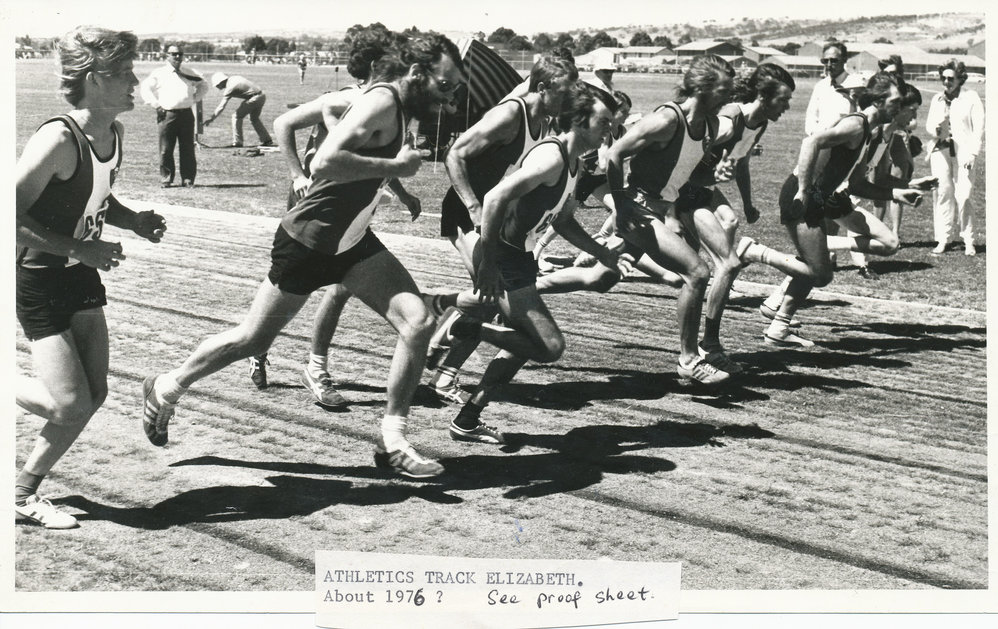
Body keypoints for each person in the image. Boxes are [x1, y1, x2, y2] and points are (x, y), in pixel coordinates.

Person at [140, 35, 466, 480]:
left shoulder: (403, 108)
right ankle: (166, 386)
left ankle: (393, 441)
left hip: (351, 243)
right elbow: (327, 161)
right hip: (309, 241)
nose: (450, 97)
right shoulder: (383, 102)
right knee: (253, 339)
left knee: (418, 322)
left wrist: (400, 174)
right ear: (416, 74)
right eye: (446, 86)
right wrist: (396, 169)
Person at [16, 26, 167, 529]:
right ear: (95, 79)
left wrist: (134, 221)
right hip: (37, 276)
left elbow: (97, 198)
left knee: (94, 395)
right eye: (124, 72)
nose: (134, 81)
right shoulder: (59, 138)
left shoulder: (113, 135)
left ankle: (22, 492)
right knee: (70, 403)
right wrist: (80, 247)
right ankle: (21, 492)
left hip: (80, 277)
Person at [440, 85, 624, 443]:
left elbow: (563, 221)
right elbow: (493, 198)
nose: (609, 131)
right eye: (603, 123)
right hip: (505, 257)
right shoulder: (552, 157)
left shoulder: (575, 163)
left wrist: (601, 254)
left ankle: (468, 417)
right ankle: (467, 326)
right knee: (549, 346)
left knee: (521, 343)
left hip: (518, 258)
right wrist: (488, 263)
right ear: (579, 121)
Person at [248, 42, 421, 408]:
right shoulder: (350, 98)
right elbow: (283, 122)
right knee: (311, 290)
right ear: (378, 64)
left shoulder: (388, 107)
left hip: (351, 213)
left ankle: (296, 358)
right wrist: (297, 174)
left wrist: (402, 193)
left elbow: (378, 160)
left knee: (333, 287)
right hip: (318, 207)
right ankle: (277, 354)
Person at [424, 55, 578, 405]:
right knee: (493, 294)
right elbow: (454, 154)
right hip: (468, 213)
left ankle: (440, 344)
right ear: (541, 88)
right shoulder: (511, 115)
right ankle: (438, 334)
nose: (569, 102)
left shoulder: (548, 122)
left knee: (490, 296)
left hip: (493, 219)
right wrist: (474, 206)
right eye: (564, 94)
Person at [738, 72, 924, 347]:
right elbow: (810, 142)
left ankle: (779, 328)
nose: (899, 108)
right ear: (878, 101)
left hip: (817, 198)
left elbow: (859, 185)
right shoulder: (856, 126)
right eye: (895, 102)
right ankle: (755, 252)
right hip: (801, 197)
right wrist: (804, 189)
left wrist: (897, 193)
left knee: (813, 266)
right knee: (821, 274)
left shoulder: (870, 135)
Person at [599, 55, 738, 385]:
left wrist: (715, 175)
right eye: (723, 90)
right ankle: (690, 360)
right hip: (639, 208)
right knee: (698, 272)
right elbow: (615, 154)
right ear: (702, 89)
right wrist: (621, 206)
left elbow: (684, 174)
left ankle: (512, 294)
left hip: (657, 210)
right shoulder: (667, 119)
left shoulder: (708, 126)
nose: (729, 98)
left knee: (597, 279)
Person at [673, 63, 796, 373]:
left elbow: (738, 164)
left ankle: (707, 347)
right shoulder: (730, 118)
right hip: (683, 191)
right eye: (783, 99)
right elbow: (686, 157)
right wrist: (670, 206)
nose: (787, 106)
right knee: (719, 266)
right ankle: (704, 349)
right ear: (764, 97)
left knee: (721, 263)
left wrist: (748, 202)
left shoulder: (759, 123)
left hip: (702, 190)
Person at [926, 59, 984, 256]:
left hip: (964, 152)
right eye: (943, 78)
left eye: (950, 78)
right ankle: (944, 238)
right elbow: (929, 127)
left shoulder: (971, 97)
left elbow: (978, 129)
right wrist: (936, 128)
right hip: (940, 151)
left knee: (964, 195)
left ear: (960, 79)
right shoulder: (937, 99)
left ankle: (969, 240)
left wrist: (973, 153)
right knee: (943, 193)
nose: (946, 82)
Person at [140, 43, 208, 187]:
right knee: (165, 149)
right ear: (167, 56)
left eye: (180, 54)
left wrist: (194, 99)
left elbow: (203, 85)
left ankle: (188, 179)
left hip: (186, 115)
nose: (177, 56)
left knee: (187, 148)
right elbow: (145, 88)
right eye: (174, 54)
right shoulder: (159, 73)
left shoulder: (189, 72)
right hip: (167, 115)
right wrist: (156, 104)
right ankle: (166, 178)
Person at [204, 72, 274, 148]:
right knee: (254, 119)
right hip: (262, 96)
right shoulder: (234, 78)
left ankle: (238, 142)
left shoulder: (229, 88)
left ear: (221, 82)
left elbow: (221, 106)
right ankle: (267, 140)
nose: (217, 87)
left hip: (254, 98)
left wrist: (211, 118)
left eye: (217, 85)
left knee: (236, 116)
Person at [804, 42, 854, 137]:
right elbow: (811, 115)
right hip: (820, 141)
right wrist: (814, 134)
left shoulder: (854, 84)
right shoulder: (820, 86)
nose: (829, 64)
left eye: (834, 60)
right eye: (825, 61)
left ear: (844, 60)